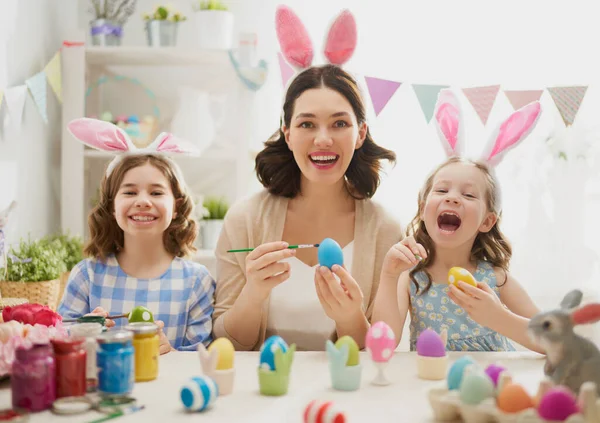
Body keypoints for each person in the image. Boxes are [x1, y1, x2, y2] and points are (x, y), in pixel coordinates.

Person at [212, 6, 402, 351]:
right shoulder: (245, 220)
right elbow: (226, 344)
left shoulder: (385, 230)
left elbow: (382, 351)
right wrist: (253, 295)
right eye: (307, 124)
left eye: (340, 123)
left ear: (360, 134)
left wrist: (349, 317)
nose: (323, 139)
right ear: (287, 133)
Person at [373, 89, 545, 352]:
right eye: (442, 190)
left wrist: (498, 318)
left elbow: (554, 340)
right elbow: (384, 342)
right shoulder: (412, 277)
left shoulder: (495, 277)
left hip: (491, 385)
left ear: (487, 222)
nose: (452, 198)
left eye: (468, 194)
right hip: (433, 386)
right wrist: (388, 275)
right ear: (422, 209)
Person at [57, 118, 215, 354]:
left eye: (156, 192)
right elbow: (58, 340)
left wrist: (170, 351)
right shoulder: (86, 276)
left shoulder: (196, 281)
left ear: (176, 207)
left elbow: (203, 356)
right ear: (112, 206)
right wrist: (82, 332)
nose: (142, 201)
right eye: (130, 191)